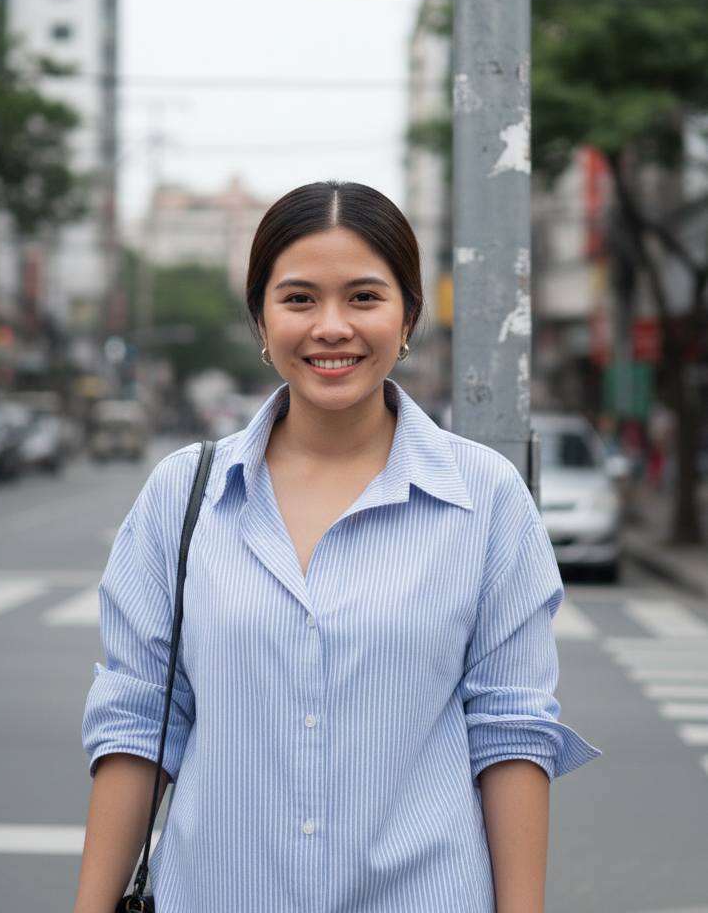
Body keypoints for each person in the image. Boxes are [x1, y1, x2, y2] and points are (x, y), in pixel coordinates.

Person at [73, 180, 602, 913]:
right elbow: (137, 724)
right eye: (297, 299)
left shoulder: (485, 498)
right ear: (259, 316)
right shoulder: (182, 496)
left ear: (408, 314)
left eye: (363, 297)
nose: (331, 327)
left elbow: (511, 733)